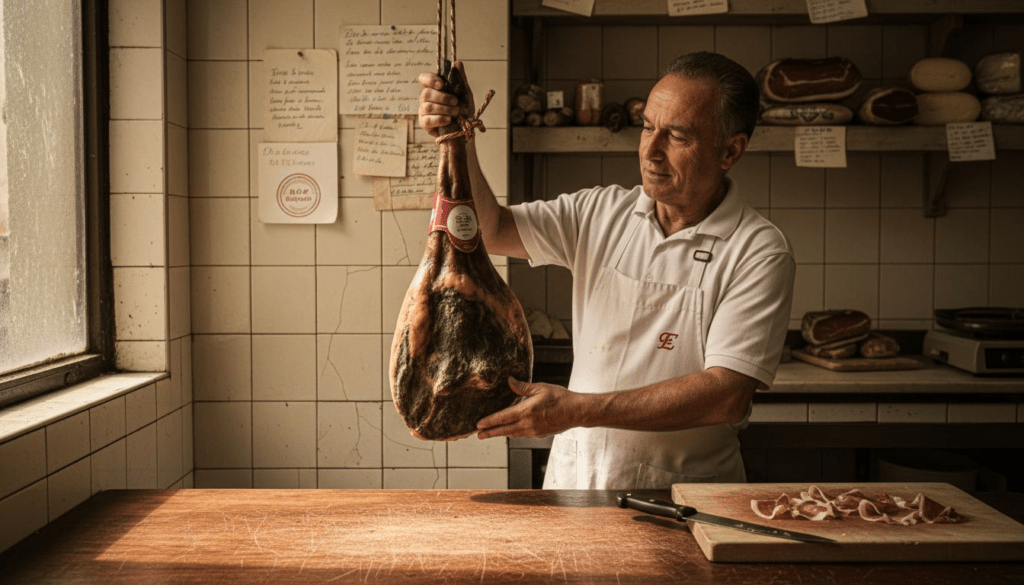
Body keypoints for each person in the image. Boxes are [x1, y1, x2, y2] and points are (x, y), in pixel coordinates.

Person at [417, 51, 795, 490]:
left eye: (677, 136)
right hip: (577, 487)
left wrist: (579, 410)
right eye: (648, 127)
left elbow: (726, 397)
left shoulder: (758, 250)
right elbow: (491, 231)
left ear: (730, 150)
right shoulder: (600, 212)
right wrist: (458, 141)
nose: (651, 151)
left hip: (686, 500)